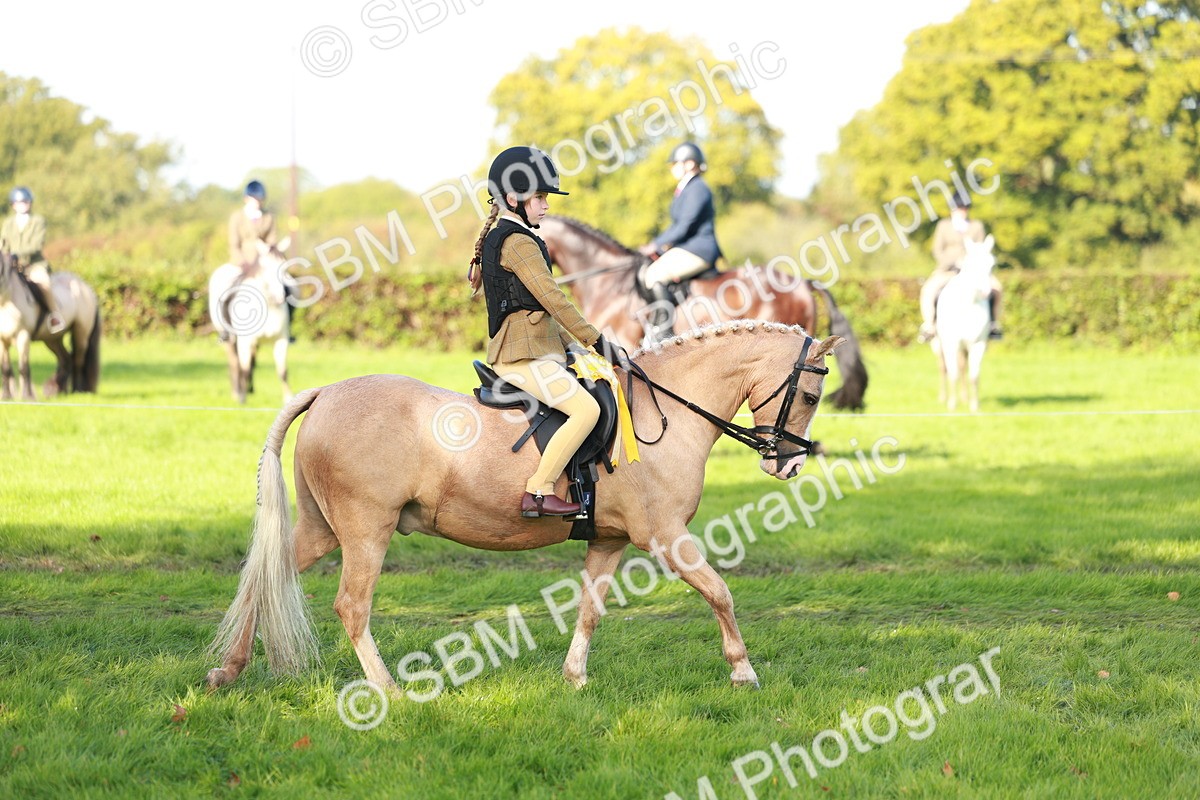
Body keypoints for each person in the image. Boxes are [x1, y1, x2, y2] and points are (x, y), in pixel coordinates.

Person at [469, 146, 612, 519]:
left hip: (536, 349)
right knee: (586, 410)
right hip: (521, 357)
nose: (546, 206)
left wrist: (578, 350)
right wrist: (595, 340)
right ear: (514, 199)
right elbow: (552, 299)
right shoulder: (517, 242)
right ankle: (539, 489)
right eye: (540, 198)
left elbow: (536, 311)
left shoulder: (511, 235)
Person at [636, 141, 724, 342]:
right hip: (687, 247)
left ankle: (664, 333)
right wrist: (658, 244)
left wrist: (656, 245)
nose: (673, 167)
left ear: (690, 164)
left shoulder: (698, 188)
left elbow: (684, 226)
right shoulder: (685, 188)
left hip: (699, 249)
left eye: (676, 163)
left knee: (654, 274)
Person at [919, 193, 1003, 342]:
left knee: (997, 288)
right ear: (953, 210)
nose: (962, 211)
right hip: (948, 270)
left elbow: (981, 249)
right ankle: (929, 325)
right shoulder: (943, 226)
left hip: (973, 271)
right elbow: (937, 250)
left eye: (964, 208)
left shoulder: (976, 226)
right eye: (959, 208)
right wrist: (952, 262)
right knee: (928, 290)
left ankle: (993, 324)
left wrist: (969, 263)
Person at [227, 180, 292, 340]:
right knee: (227, 288)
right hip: (242, 262)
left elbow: (272, 240)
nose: (257, 202)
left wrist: (272, 251)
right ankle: (227, 329)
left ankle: (287, 329)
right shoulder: (237, 217)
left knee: (289, 287)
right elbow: (234, 244)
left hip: (265, 262)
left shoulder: (269, 217)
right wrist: (242, 262)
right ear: (246, 199)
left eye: (259, 199)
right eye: (254, 199)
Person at [0, 186, 65, 333]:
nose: (23, 204)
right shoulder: (8, 223)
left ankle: (55, 316)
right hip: (13, 266)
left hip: (34, 265)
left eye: (26, 201)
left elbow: (36, 245)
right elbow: (3, 243)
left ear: (30, 203)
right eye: (20, 202)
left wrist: (17, 253)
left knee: (44, 283)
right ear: (13, 205)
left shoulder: (38, 221)